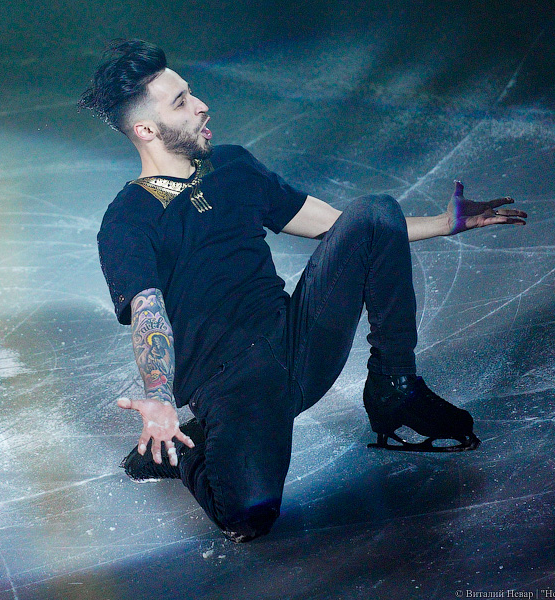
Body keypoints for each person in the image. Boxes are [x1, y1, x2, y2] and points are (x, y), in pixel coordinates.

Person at [78, 39, 526, 542]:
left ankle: (394, 388)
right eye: (181, 102)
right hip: (234, 387)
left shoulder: (233, 166)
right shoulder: (128, 219)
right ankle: (185, 452)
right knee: (247, 516)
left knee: (374, 210)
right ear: (146, 129)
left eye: (191, 92)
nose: (201, 105)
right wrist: (160, 398)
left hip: (299, 339)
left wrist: (443, 224)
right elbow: (148, 312)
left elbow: (338, 225)